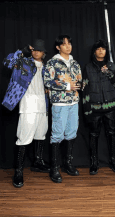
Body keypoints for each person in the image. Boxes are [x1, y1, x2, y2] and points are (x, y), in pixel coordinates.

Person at [2, 39, 50, 188]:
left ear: (44, 53)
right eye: (34, 49)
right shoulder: (23, 62)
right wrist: (22, 51)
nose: (36, 52)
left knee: (41, 134)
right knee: (24, 137)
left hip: (43, 104)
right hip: (28, 104)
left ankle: (38, 162)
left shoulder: (48, 66)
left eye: (39, 50)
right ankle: (18, 171)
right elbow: (7, 62)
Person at [44, 35, 82, 183]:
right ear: (58, 47)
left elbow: (79, 79)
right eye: (64, 44)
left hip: (74, 102)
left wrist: (80, 84)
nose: (68, 46)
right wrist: (67, 86)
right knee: (57, 135)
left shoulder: (75, 63)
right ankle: (54, 168)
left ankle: (68, 164)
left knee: (72, 132)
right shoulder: (52, 63)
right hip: (60, 103)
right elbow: (47, 82)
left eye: (69, 43)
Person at [82, 39, 115, 175]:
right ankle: (94, 163)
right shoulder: (87, 67)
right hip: (95, 108)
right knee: (94, 135)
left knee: (112, 135)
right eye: (98, 49)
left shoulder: (111, 65)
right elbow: (85, 89)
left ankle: (114, 161)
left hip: (111, 107)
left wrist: (109, 73)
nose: (101, 51)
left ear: (106, 51)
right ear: (94, 51)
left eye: (103, 49)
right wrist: (87, 109)